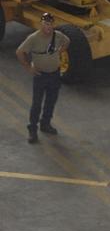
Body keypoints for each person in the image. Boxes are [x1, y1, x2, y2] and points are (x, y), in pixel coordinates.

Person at [16, 12, 70, 143]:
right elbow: (19, 52)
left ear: (53, 24)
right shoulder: (33, 38)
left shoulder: (58, 36)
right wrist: (29, 67)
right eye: (46, 24)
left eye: (50, 24)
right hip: (40, 76)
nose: (48, 27)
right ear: (41, 24)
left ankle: (45, 124)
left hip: (54, 75)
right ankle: (32, 129)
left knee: (51, 101)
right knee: (37, 104)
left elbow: (67, 42)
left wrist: (59, 52)